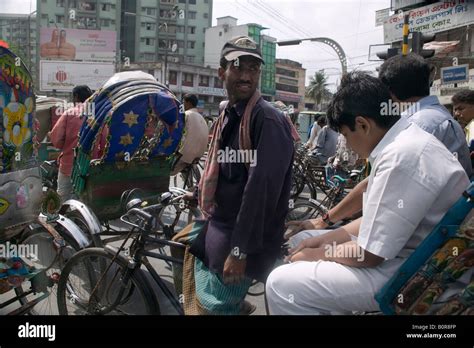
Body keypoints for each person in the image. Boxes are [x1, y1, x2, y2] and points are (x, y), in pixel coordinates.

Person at [265, 72, 469, 315]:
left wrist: (319, 252)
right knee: (301, 240)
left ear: (363, 124)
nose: (347, 143)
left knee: (281, 283)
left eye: (345, 134)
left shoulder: (401, 156)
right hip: (410, 255)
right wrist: (321, 239)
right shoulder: (407, 142)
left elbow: (370, 254)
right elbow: (378, 218)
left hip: (414, 273)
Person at [181, 36, 293, 315]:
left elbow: (261, 192)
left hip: (239, 240)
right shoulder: (228, 115)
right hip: (217, 225)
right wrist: (196, 194)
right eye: (238, 67)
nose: (246, 76)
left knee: (211, 310)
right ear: (222, 72)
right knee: (180, 249)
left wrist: (240, 250)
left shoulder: (265, 120)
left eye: (253, 69)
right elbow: (219, 170)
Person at [49, 85, 97, 202]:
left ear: (75, 97)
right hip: (91, 167)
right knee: (86, 201)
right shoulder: (97, 115)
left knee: (62, 197)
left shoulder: (69, 113)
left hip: (68, 165)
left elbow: (56, 139)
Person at [171, 94, 209, 175]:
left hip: (186, 154)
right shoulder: (201, 117)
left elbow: (178, 132)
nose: (183, 104)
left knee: (167, 170)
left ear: (188, 103)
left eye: (184, 102)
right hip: (200, 154)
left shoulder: (186, 114)